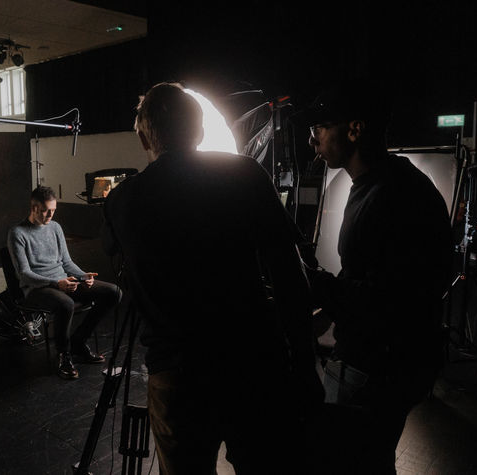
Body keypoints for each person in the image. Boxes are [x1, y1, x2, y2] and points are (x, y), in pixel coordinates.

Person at [102, 82, 324, 474]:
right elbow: (290, 276)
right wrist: (305, 365)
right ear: (201, 130)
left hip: (177, 377)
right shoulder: (244, 175)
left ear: (143, 138)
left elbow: (122, 264)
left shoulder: (121, 200)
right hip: (253, 365)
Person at [300, 79, 454, 473]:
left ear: (354, 129)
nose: (313, 140)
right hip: (395, 361)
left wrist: (314, 282)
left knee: (347, 460)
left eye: (321, 128)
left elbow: (391, 297)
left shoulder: (393, 195)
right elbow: (370, 268)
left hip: (375, 366)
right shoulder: (387, 182)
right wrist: (330, 311)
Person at [8, 186, 121, 380]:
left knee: (114, 292)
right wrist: (56, 283)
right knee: (65, 303)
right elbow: (24, 275)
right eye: (46, 210)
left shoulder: (55, 227)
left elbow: (66, 262)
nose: (50, 215)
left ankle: (78, 341)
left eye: (53, 210)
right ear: (34, 208)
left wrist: (83, 276)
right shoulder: (17, 233)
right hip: (36, 288)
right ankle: (64, 354)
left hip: (63, 281)